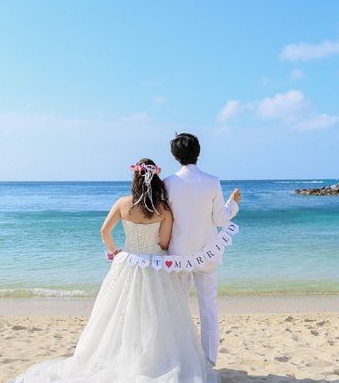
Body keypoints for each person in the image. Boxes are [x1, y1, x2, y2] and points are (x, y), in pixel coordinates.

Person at [12, 157, 219, 382]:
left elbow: (104, 231)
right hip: (155, 266)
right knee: (157, 317)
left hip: (127, 263)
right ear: (156, 180)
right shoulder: (163, 209)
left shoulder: (123, 203)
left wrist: (114, 252)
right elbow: (164, 243)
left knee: (119, 315)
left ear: (135, 178)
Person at [164, 133, 241, 367]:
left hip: (179, 255)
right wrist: (233, 202)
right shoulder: (212, 181)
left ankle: (180, 358)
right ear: (198, 153)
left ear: (175, 156)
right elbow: (219, 220)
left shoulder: (168, 183)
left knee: (177, 308)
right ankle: (209, 361)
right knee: (208, 308)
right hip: (207, 252)